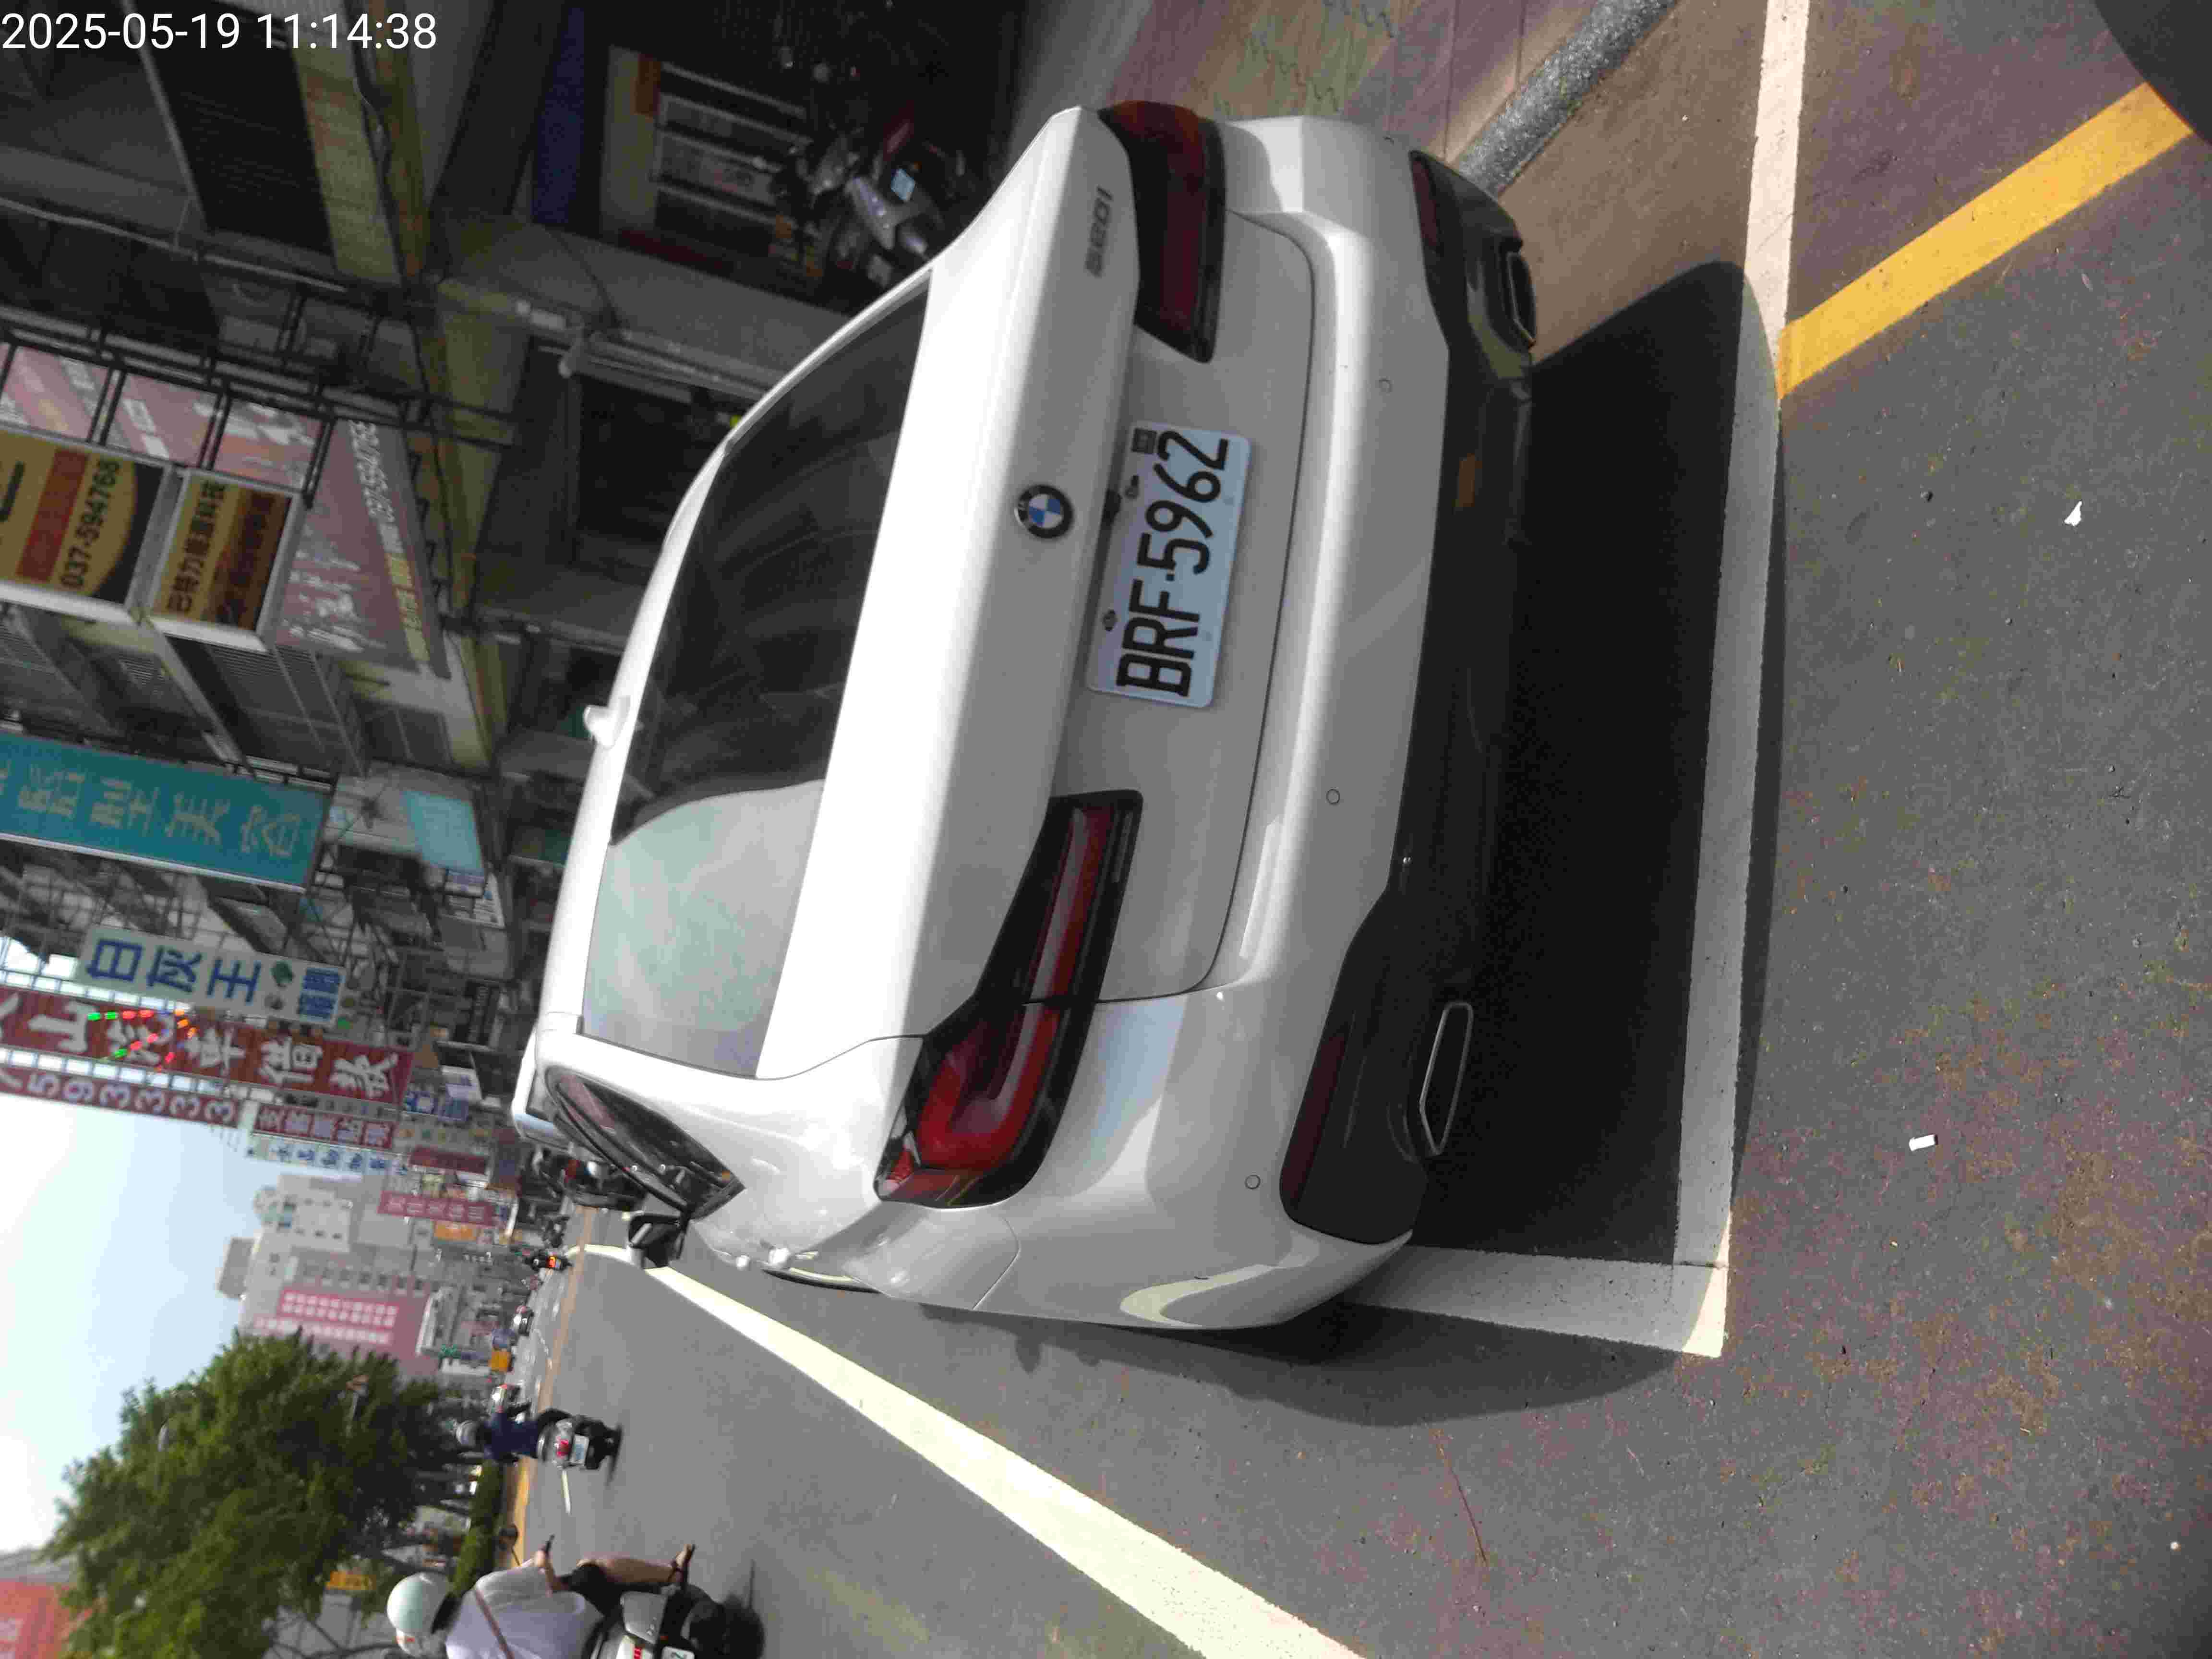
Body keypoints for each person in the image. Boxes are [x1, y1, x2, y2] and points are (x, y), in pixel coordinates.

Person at [386, 1542, 695, 1658]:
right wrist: (541, 1561)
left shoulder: (458, 1657)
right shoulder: (485, 1590)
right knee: (592, 1567)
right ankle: (672, 1575)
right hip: (590, 1623)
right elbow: (550, 1584)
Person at [454, 1401, 573, 1466]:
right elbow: (514, 1410)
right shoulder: (495, 1420)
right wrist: (526, 1405)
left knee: (560, 1461)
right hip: (538, 1429)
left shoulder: (492, 1453)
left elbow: (512, 1460)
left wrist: (514, 1455)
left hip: (536, 1451)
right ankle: (575, 1421)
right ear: (474, 1425)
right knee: (551, 1414)